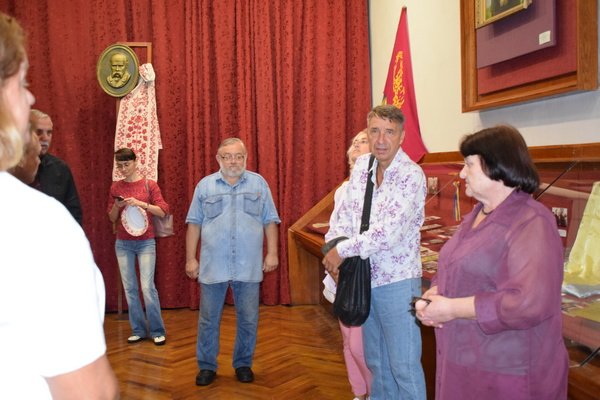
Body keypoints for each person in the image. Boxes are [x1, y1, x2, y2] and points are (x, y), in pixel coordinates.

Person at [0, 11, 118, 399]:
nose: (31, 96)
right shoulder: (36, 224)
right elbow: (88, 392)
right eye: (22, 83)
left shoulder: (55, 188)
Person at [415, 125, 568, 399]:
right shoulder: (477, 214)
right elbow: (456, 263)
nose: (462, 174)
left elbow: (528, 303)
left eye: (469, 164)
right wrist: (436, 294)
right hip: (464, 359)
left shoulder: (532, 222)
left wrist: (452, 308)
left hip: (507, 372)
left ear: (497, 165)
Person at [323, 104, 427, 400]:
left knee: (403, 366)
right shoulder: (361, 167)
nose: (381, 140)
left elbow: (388, 232)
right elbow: (346, 215)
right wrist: (334, 249)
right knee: (377, 363)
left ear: (401, 137)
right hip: (364, 278)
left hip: (397, 280)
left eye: (389, 132)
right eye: (375, 131)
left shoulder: (411, 175)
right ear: (367, 133)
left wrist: (342, 250)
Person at [185, 137, 280, 386]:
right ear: (218, 159)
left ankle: (243, 363)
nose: (233, 161)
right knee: (208, 320)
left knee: (248, 319)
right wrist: (190, 259)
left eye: (238, 156)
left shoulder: (259, 184)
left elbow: (270, 220)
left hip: (249, 265)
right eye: (227, 156)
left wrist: (272, 253)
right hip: (212, 265)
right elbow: (194, 223)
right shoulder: (205, 186)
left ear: (246, 158)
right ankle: (207, 366)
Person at [324, 129, 372, 400]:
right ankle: (359, 392)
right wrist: (332, 258)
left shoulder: (377, 187)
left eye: (363, 141)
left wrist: (342, 257)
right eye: (354, 142)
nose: (356, 145)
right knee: (346, 340)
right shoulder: (343, 189)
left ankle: (375, 393)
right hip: (340, 270)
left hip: (361, 273)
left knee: (359, 345)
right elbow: (334, 228)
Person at [107, 147, 169, 346]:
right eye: (120, 165)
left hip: (146, 242)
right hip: (123, 243)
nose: (123, 169)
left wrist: (142, 204)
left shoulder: (149, 185)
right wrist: (117, 206)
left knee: (147, 287)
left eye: (126, 164)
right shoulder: (116, 187)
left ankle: (157, 330)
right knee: (130, 288)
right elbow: (111, 218)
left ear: (135, 162)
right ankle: (138, 330)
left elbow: (163, 211)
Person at [30, 109, 83, 225]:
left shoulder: (61, 169)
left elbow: (74, 214)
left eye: (49, 133)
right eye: (39, 132)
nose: (45, 138)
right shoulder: (9, 168)